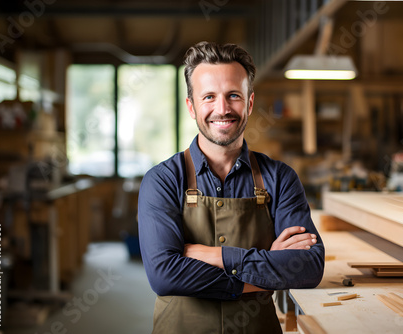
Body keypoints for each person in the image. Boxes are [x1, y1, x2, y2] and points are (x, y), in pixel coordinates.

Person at [138, 41, 325, 334]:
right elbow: (164, 275)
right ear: (191, 106)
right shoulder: (162, 180)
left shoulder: (280, 178)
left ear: (249, 103)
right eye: (209, 97)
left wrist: (217, 256)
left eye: (233, 95)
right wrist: (265, 272)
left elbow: (308, 267)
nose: (222, 109)